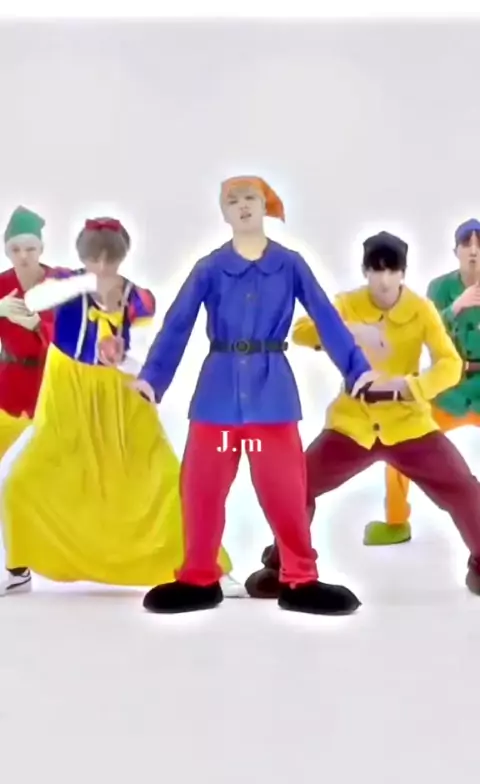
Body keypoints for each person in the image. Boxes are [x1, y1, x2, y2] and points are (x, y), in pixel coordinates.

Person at [132, 175, 376, 616]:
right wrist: (154, 377)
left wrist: (357, 369)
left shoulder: (290, 264)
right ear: (223, 212)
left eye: (250, 198)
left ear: (265, 206)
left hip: (271, 395)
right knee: (201, 489)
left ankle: (300, 578)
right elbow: (178, 323)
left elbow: (326, 317)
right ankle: (198, 577)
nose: (242, 205)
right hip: (217, 396)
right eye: (233, 200)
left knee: (285, 490)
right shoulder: (209, 267)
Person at [0, 216, 235, 596]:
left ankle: (210, 566)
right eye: (94, 258)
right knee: (24, 480)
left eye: (110, 259)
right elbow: (35, 302)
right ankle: (18, 568)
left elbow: (145, 348)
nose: (102, 266)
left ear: (121, 257)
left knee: (162, 480)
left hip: (122, 397)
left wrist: (123, 355)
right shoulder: (64, 284)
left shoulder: (138, 297)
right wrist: (82, 284)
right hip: (69, 391)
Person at [245, 231, 480, 599]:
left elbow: (449, 364)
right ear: (365, 271)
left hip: (408, 424)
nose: (384, 280)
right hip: (352, 425)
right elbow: (302, 331)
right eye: (376, 270)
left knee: (463, 487)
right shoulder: (348, 303)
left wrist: (412, 386)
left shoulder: (420, 309)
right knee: (295, 485)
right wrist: (349, 332)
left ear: (402, 273)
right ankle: (285, 563)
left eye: (392, 271)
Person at [364, 219, 480, 545]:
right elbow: (421, 332)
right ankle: (396, 521)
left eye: (479, 243)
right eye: (467, 243)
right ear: (456, 251)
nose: (474, 250)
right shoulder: (440, 288)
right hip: (450, 388)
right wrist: (455, 307)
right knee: (401, 439)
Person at [0, 206, 73, 592]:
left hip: (53, 391)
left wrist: (38, 323)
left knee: (26, 481)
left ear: (41, 248)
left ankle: (24, 566)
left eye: (30, 248)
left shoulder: (61, 282)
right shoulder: (1, 284)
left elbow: (81, 333)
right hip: (9, 389)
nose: (24, 256)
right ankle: (18, 570)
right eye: (15, 250)